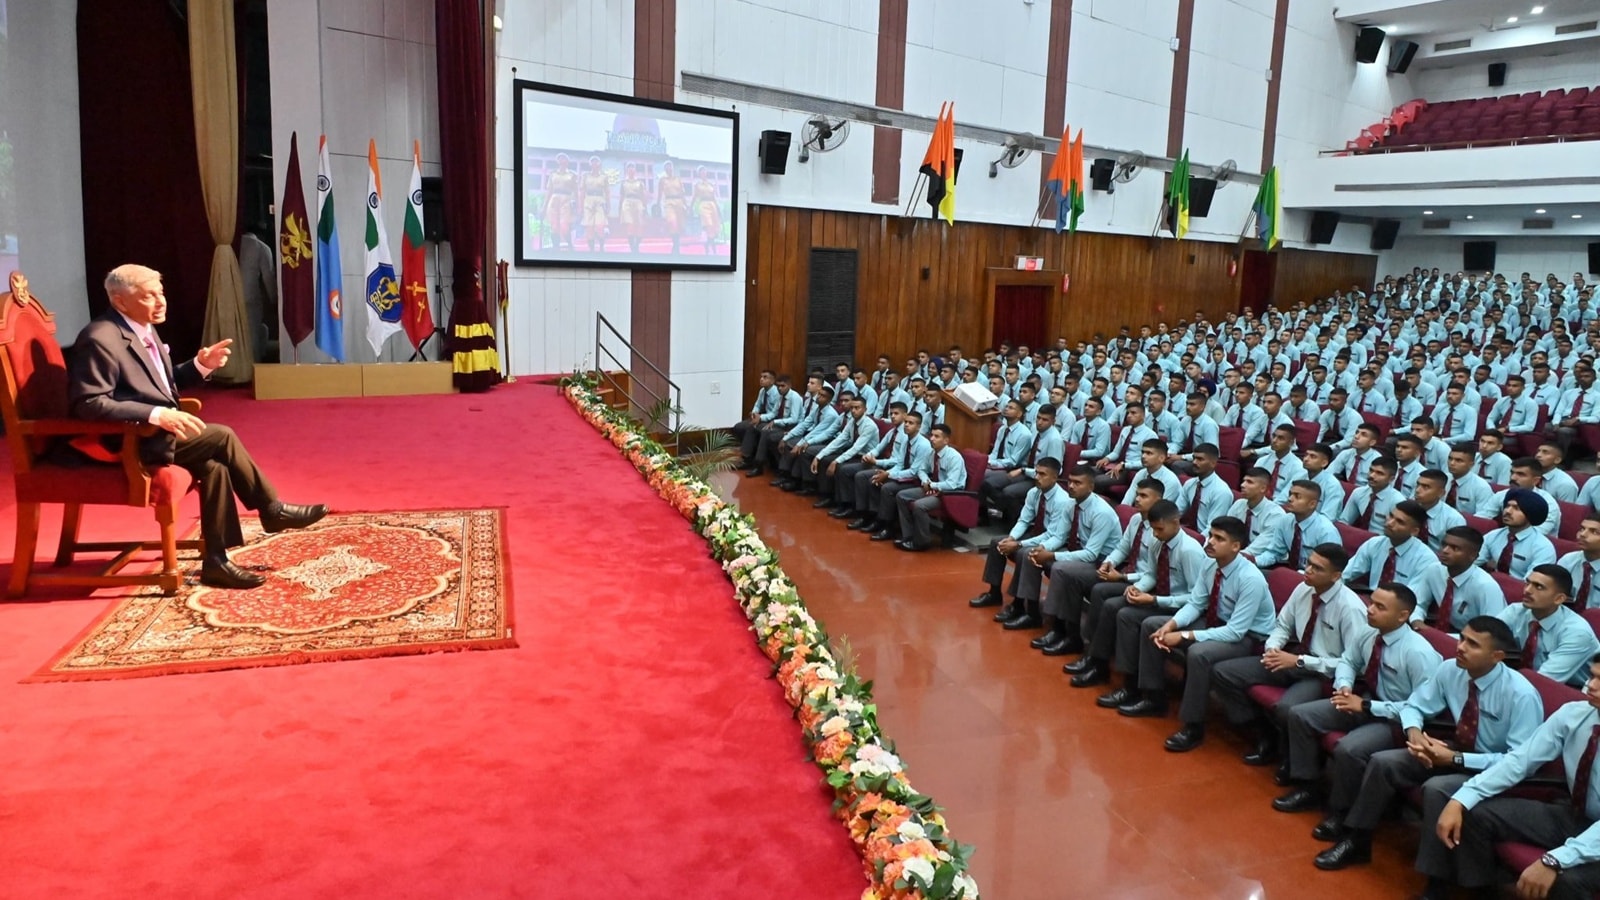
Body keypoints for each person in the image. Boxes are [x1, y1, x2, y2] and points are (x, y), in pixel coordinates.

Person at [67, 264, 327, 589]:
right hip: (126, 442)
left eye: (161, 293)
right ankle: (270, 509)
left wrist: (200, 366)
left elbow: (158, 385)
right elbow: (88, 404)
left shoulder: (141, 327)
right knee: (221, 435)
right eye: (149, 296)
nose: (161, 301)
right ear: (120, 301)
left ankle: (216, 562)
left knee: (215, 467)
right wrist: (156, 415)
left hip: (155, 434)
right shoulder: (100, 339)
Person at [1312, 616, 1541, 871]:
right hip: (1452, 750)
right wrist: (1415, 733)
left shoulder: (1522, 695)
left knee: (1436, 788)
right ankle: (1356, 839)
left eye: (1473, 644)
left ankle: (1436, 881)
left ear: (1497, 656)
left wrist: (1454, 758)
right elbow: (1415, 706)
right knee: (1383, 762)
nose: (1461, 647)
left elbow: (1517, 761)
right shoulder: (1451, 669)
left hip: (1490, 769)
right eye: (1462, 638)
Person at [1423, 653, 1600, 900]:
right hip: (1575, 816)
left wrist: (1555, 860)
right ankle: (1480, 892)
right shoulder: (1573, 714)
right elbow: (1519, 761)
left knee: (1567, 880)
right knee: (1475, 814)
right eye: (1592, 676)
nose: (1591, 685)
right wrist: (1461, 798)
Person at [1097, 515, 1275, 753]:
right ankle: (1153, 697)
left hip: (1246, 638)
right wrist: (1171, 625)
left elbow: (1235, 631)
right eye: (1211, 535)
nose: (1210, 541)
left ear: (1236, 546)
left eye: (1219, 538)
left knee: (1199, 653)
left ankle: (1193, 726)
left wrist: (1185, 636)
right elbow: (1195, 603)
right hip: (1214, 622)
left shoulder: (1251, 578)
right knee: (1152, 625)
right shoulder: (1211, 564)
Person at [1274, 583, 1440, 817]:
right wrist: (1344, 686)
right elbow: (1349, 661)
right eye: (1372, 603)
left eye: (1380, 607)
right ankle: (1307, 786)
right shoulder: (1370, 631)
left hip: (1394, 720)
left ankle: (1341, 813)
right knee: (1300, 715)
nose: (1370, 610)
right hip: (1363, 699)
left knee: (1349, 749)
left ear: (1403, 616)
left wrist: (1365, 705)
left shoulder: (1419, 654)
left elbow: (1423, 708)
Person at [1212, 544, 1372, 769]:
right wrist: (1272, 648)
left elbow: (1353, 663)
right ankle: (1263, 734)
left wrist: (1299, 661)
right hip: (1293, 658)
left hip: (1322, 675)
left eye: (1317, 568)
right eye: (1308, 563)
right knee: (1225, 673)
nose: (1308, 570)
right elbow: (1283, 625)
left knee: (1288, 709)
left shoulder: (1351, 608)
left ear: (1336, 576)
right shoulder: (1304, 589)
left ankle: (1295, 765)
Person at [967, 458, 1070, 628]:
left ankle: (1023, 606)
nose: (1037, 477)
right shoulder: (1034, 493)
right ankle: (994, 593)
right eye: (1036, 472)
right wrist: (1012, 538)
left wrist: (1019, 545)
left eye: (1043, 474)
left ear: (1054, 477)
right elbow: (1024, 520)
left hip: (1054, 542)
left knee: (1023, 553)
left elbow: (1053, 535)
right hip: (1037, 534)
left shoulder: (1062, 501)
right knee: (996, 543)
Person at [1498, 564, 1600, 688]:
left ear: (1559, 599)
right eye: (1527, 583)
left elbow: (1543, 682)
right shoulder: (1515, 611)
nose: (1527, 590)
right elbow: (1485, 641)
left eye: (1539, 587)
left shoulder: (1577, 633)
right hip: (1527, 679)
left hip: (1574, 690)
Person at [894, 424, 966, 552]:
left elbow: (952, 484)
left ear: (946, 440)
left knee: (919, 505)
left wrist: (932, 485)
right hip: (933, 487)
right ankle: (908, 536)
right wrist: (925, 481)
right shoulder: (931, 452)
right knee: (902, 496)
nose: (932, 439)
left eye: (936, 436)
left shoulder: (954, 457)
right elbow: (922, 469)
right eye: (931, 435)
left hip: (949, 494)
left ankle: (922, 542)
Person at [1427, 527, 1506, 633]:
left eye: (1455, 548)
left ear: (1473, 556)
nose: (1445, 551)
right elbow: (1418, 602)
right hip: (1440, 631)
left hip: (1470, 640)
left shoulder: (1486, 586)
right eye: (1444, 544)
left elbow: (1492, 633)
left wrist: (1443, 638)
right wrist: (1417, 622)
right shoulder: (1434, 570)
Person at [1479, 488, 1558, 580]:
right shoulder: (1493, 536)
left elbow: (1532, 584)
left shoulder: (1542, 547)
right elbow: (1472, 563)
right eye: (1507, 506)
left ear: (1530, 514)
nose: (1507, 511)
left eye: (1516, 508)